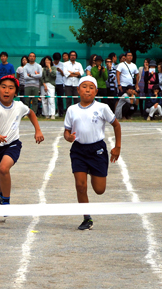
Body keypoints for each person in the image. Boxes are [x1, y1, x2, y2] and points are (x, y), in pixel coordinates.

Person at [64, 76, 121, 230]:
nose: (87, 90)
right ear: (78, 90)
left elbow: (116, 125)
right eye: (84, 86)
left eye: (91, 87)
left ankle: (91, 171)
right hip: (78, 150)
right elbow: (67, 131)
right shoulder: (71, 109)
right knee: (80, 186)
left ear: (96, 91)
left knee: (99, 190)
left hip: (97, 150)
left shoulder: (102, 108)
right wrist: (68, 137)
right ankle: (87, 218)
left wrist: (117, 147)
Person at [0, 75, 44, 206]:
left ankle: (6, 203)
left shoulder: (19, 106)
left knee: (4, 169)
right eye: (3, 87)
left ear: (15, 92)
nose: (7, 91)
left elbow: (31, 113)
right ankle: (0, 192)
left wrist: (38, 130)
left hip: (12, 144)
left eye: (10, 88)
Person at [52, 52, 65, 117]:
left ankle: (61, 113)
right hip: (52, 83)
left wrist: (61, 71)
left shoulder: (62, 64)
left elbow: (64, 74)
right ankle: (53, 112)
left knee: (60, 99)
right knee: (52, 99)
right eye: (56, 60)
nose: (57, 61)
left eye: (58, 60)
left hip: (60, 83)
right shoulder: (51, 64)